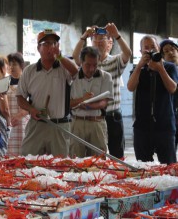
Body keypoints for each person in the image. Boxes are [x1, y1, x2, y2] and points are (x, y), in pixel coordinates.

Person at [72, 22, 132, 159]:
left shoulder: (116, 61)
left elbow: (127, 53)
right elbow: (75, 56)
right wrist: (84, 36)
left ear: (110, 44)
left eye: (102, 40)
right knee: (93, 155)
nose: (98, 42)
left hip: (112, 115)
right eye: (95, 39)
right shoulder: (88, 63)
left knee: (117, 155)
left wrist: (116, 35)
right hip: (94, 117)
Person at [17, 29, 78, 157]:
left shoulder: (63, 68)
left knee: (60, 165)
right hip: (37, 124)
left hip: (59, 125)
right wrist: (31, 109)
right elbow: (20, 98)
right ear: (38, 48)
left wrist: (60, 56)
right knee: (28, 160)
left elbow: (75, 71)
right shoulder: (29, 71)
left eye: (54, 43)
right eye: (46, 44)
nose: (51, 47)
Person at [127, 35, 178, 165]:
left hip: (164, 125)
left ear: (158, 49)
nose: (150, 51)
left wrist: (160, 68)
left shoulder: (169, 67)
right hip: (142, 126)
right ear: (141, 52)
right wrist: (139, 66)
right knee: (143, 168)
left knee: (169, 166)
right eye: (146, 48)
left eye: (153, 48)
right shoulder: (138, 69)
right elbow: (130, 87)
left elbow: (172, 88)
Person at [70, 46, 113, 158]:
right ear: (81, 62)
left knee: (98, 162)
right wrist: (82, 100)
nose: (91, 69)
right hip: (77, 123)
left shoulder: (106, 77)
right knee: (75, 161)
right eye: (88, 65)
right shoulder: (72, 78)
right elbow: (67, 104)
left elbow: (104, 103)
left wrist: (89, 107)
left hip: (97, 123)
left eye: (95, 65)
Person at [6, 52, 29, 156]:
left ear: (21, 65)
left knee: (23, 153)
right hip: (9, 123)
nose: (11, 67)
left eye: (14, 64)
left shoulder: (27, 81)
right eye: (9, 64)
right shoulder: (5, 82)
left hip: (23, 122)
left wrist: (20, 115)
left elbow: (32, 103)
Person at [159, 39, 178, 151]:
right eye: (166, 51)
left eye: (173, 49)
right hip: (170, 118)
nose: (171, 52)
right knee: (170, 153)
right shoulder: (162, 73)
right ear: (162, 56)